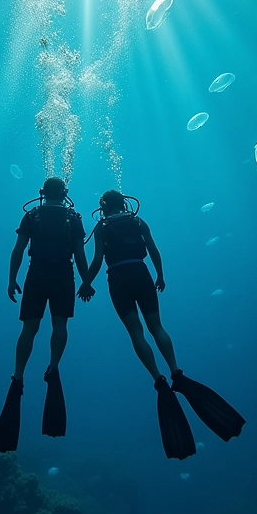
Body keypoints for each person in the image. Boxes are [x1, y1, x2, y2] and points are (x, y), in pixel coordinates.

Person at [78, 190, 245, 460]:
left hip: (118, 277)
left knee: (136, 332)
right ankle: (176, 371)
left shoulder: (102, 226)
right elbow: (153, 250)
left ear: (103, 207)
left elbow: (97, 259)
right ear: (125, 203)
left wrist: (86, 282)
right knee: (157, 327)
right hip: (141, 273)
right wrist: (160, 275)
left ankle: (158, 378)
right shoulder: (138, 222)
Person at [0, 177, 93, 453]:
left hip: (35, 273)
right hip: (63, 274)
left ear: (42, 193)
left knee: (29, 329)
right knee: (59, 324)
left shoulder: (32, 215)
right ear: (65, 193)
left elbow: (18, 251)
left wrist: (12, 280)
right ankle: (53, 367)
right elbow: (80, 255)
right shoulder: (73, 218)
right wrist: (86, 281)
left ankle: (18, 376)